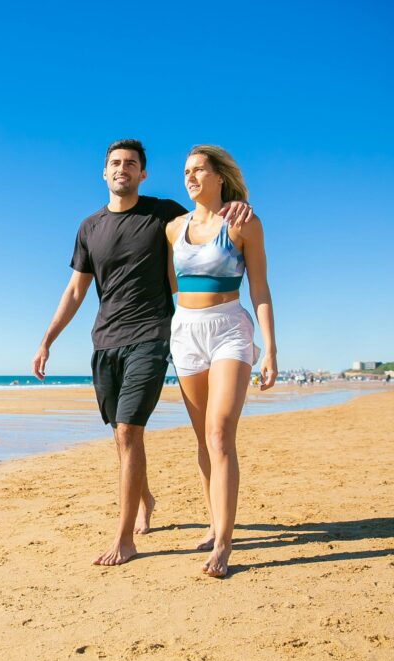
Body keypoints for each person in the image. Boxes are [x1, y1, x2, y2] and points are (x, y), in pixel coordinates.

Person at [32, 139, 252, 567]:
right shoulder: (89, 227)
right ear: (104, 172)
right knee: (121, 434)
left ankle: (124, 538)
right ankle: (145, 497)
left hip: (153, 334)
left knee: (130, 429)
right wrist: (46, 341)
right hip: (106, 340)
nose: (122, 169)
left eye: (131, 164)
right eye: (115, 163)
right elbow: (75, 291)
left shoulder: (162, 213)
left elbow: (209, 215)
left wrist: (239, 206)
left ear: (142, 173)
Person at [165, 145, 277, 578]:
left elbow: (260, 288)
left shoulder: (243, 223)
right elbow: (169, 285)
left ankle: (224, 545)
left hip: (229, 328)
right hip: (185, 332)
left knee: (219, 433)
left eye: (199, 170)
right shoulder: (174, 229)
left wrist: (270, 347)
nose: (190, 178)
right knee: (202, 438)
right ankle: (215, 524)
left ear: (219, 177)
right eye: (186, 171)